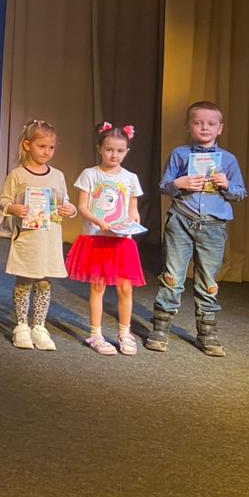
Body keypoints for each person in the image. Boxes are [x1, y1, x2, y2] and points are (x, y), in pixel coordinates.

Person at [146, 101, 247, 357]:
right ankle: (160, 328)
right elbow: (164, 185)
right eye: (198, 122)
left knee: (208, 280)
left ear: (220, 128)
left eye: (211, 123)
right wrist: (179, 183)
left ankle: (207, 332)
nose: (204, 127)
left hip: (213, 226)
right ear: (188, 126)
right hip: (181, 220)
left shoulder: (229, 160)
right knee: (172, 276)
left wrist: (226, 185)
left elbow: (240, 193)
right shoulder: (180, 154)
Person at [0, 119, 77, 352]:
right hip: (28, 238)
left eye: (51, 147)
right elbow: (3, 200)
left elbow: (65, 201)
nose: (47, 152)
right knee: (25, 280)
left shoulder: (57, 175)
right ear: (27, 145)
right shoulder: (18, 174)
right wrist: (13, 208)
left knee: (44, 281)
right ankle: (21, 325)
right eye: (42, 146)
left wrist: (69, 210)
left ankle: (39, 325)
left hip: (49, 240)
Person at [67, 122, 145, 356]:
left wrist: (132, 222)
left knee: (125, 287)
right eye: (109, 149)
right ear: (100, 148)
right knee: (98, 286)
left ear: (127, 151)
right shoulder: (90, 174)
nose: (114, 155)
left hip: (122, 240)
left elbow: (133, 209)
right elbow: (83, 206)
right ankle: (96, 334)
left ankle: (125, 333)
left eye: (120, 151)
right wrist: (99, 222)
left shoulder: (130, 178)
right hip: (97, 238)